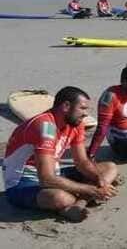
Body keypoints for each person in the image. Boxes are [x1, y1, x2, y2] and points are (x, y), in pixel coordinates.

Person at [3, 86, 119, 222]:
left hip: (55, 173)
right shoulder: (45, 127)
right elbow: (46, 179)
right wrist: (92, 190)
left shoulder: (76, 124)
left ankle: (78, 204)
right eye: (82, 108)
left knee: (109, 168)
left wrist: (98, 179)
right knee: (61, 198)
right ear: (66, 106)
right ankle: (75, 201)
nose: (85, 114)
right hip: (22, 183)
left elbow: (82, 162)